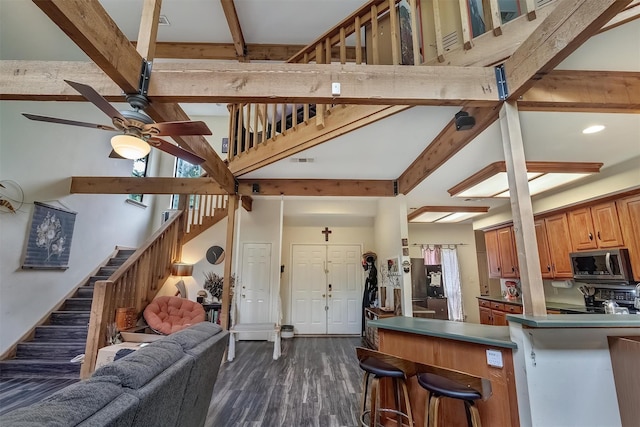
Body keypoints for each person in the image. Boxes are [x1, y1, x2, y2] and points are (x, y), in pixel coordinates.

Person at [362, 255, 378, 334]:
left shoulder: (374, 270)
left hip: (371, 291)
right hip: (368, 290)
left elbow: (372, 280)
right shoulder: (370, 269)